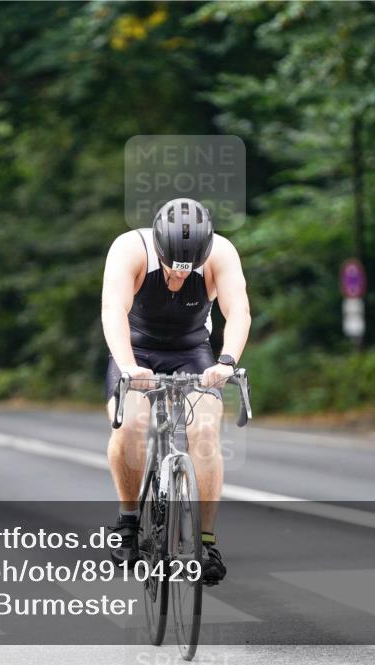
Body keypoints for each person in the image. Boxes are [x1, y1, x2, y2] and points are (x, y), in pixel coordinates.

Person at [101, 197, 251, 585]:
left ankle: (206, 541)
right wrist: (129, 366)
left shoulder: (221, 252)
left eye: (189, 269)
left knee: (205, 431)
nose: (179, 277)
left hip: (191, 351)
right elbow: (113, 310)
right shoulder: (130, 249)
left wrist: (227, 362)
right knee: (129, 426)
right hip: (135, 350)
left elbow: (238, 310)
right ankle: (128, 520)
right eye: (172, 268)